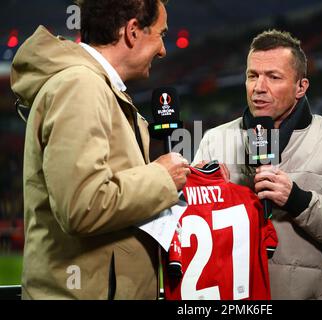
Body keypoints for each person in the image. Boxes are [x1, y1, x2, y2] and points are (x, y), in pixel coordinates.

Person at [10, 0, 190, 299]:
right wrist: (162, 178)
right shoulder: (81, 85)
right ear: (133, 31)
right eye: (161, 34)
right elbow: (83, 205)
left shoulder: (95, 85)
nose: (163, 50)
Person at [194, 30, 322, 299]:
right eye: (252, 75)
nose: (259, 87)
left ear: (301, 87)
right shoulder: (215, 140)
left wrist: (299, 200)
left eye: (273, 77)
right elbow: (190, 223)